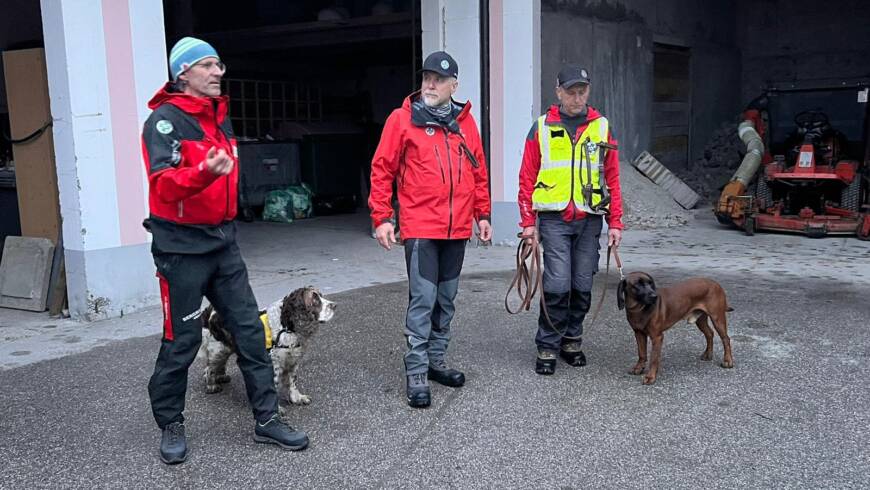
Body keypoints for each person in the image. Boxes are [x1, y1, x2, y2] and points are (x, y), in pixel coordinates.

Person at [141, 37, 308, 464]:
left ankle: (267, 421)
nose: (219, 72)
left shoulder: (219, 117)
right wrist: (201, 172)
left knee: (251, 333)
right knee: (181, 342)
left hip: (223, 244)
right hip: (181, 251)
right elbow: (162, 184)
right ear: (184, 73)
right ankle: (171, 423)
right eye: (209, 65)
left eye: (219, 64)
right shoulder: (163, 122)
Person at [369, 51, 492, 408]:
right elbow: (381, 170)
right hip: (421, 226)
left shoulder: (466, 122)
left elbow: (478, 170)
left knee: (446, 299)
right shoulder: (401, 120)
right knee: (422, 301)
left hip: (456, 230)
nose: (430, 84)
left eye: (439, 79)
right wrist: (382, 217)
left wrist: (482, 213)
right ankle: (417, 370)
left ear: (454, 84)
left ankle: (437, 361)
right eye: (426, 78)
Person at [517, 65, 623, 375]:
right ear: (558, 92)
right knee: (557, 283)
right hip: (553, 220)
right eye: (571, 92)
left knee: (581, 283)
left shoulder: (602, 127)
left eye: (582, 92)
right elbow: (526, 177)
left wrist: (615, 222)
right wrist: (527, 223)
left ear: (588, 92)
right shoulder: (541, 127)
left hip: (589, 219)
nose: (577, 98)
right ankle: (548, 345)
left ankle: (572, 340)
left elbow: (613, 176)